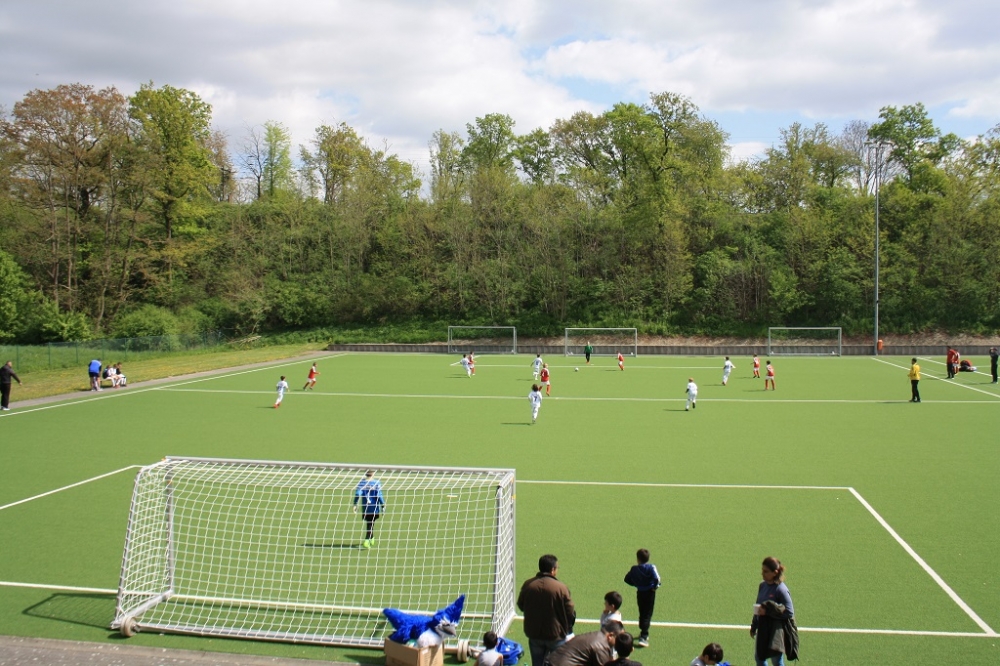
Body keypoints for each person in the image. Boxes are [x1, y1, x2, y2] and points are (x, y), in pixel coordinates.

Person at [517, 554, 576, 666]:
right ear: (553, 569)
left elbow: (521, 605)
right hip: (555, 634)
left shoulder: (528, 585)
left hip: (534, 633)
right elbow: (570, 612)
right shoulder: (561, 588)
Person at [750, 557, 795, 666]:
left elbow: (789, 612)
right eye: (762, 570)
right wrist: (754, 625)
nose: (762, 573)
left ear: (775, 572)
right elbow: (758, 606)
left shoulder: (781, 589)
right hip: (763, 627)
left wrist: (768, 612)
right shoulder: (762, 586)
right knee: (759, 658)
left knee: (776, 661)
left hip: (775, 631)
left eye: (766, 571)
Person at [624, 548, 660, 648]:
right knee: (647, 613)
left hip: (640, 592)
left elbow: (627, 579)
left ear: (637, 559)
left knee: (642, 611)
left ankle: (642, 631)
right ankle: (644, 635)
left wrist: (637, 584)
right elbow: (657, 579)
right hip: (650, 593)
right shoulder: (651, 567)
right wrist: (654, 587)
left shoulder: (634, 569)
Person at [544, 620, 623, 666]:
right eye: (619, 638)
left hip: (551, 661)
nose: (620, 641)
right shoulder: (602, 646)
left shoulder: (595, 636)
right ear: (610, 636)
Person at [353, 470, 385, 549]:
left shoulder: (362, 483)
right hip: (374, 508)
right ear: (373, 474)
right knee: (371, 523)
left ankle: (370, 538)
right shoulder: (376, 482)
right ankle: (367, 540)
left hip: (366, 507)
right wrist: (383, 505)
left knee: (369, 523)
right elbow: (379, 495)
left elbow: (358, 494)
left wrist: (355, 504)